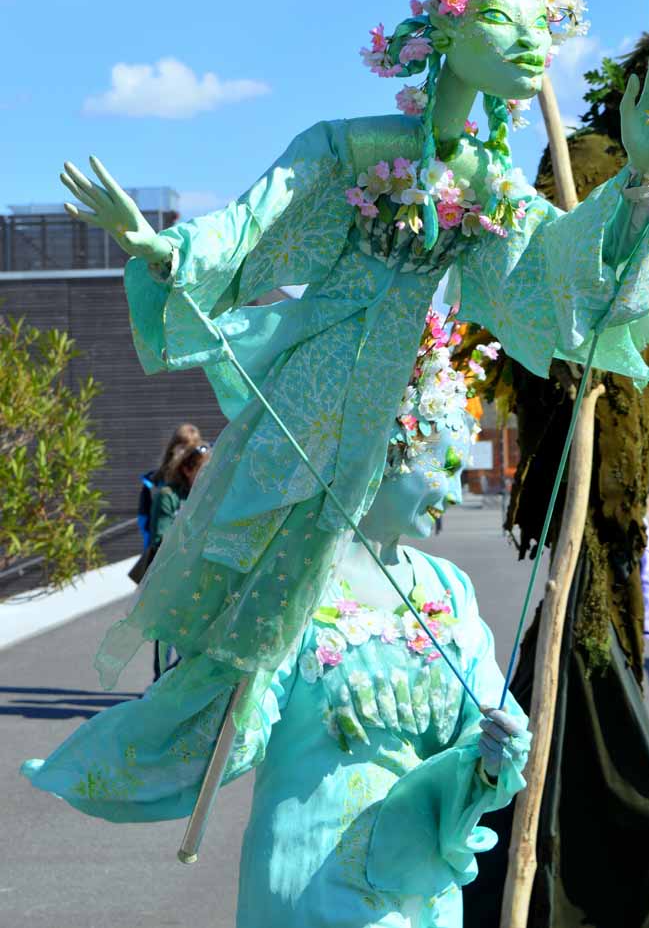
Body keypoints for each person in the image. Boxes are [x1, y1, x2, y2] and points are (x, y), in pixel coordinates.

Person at [57, 0, 649, 708]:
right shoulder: (351, 148)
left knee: (348, 573)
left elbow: (563, 269)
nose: (534, 43)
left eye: (544, 27)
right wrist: (166, 248)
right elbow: (256, 219)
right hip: (308, 382)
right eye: (505, 20)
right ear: (447, 31)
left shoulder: (491, 185)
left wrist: (638, 180)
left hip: (390, 397)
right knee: (253, 556)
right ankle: (222, 717)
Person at [24, 313, 530, 928]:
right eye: (444, 467)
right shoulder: (299, 581)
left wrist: (497, 751)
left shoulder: (450, 589)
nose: (454, 490)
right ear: (389, 455)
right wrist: (218, 719)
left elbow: (484, 718)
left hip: (419, 884)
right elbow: (245, 719)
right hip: (310, 874)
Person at [150, 439, 210, 679]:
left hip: (197, 577)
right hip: (170, 577)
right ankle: (160, 681)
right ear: (187, 469)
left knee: (193, 635)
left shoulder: (208, 496)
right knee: (165, 633)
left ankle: (176, 678)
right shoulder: (168, 496)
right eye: (203, 471)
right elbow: (160, 537)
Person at [137, 423, 201, 547]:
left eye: (192, 449)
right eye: (184, 447)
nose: (187, 454)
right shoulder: (160, 488)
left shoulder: (197, 485)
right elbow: (149, 529)